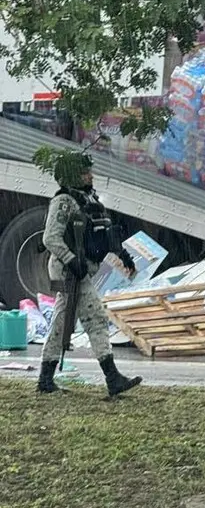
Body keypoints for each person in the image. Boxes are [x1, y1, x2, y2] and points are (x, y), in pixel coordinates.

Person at [37, 152, 142, 397]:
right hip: (69, 270)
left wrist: (123, 256)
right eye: (85, 172)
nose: (90, 175)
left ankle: (45, 379)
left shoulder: (88, 199)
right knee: (95, 318)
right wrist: (73, 262)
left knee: (62, 323)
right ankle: (112, 377)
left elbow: (104, 233)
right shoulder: (64, 201)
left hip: (82, 267)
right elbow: (50, 237)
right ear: (73, 175)